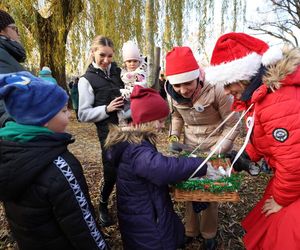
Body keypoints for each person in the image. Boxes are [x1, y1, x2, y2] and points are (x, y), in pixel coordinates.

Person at [204, 32, 300, 250]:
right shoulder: (262, 97)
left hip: (294, 180)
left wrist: (282, 199)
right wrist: (245, 156)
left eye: (229, 85)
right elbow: (260, 135)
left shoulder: (278, 101)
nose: (227, 92)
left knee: (283, 235)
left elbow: (294, 160)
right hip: (291, 178)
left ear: (245, 75)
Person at [0, 71, 108, 250]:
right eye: (64, 111)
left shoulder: (8, 152)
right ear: (42, 120)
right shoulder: (62, 167)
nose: (68, 117)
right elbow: (83, 226)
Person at [104, 85, 208, 250]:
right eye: (159, 121)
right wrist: (204, 164)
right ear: (145, 119)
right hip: (148, 224)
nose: (161, 126)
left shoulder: (136, 141)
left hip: (146, 213)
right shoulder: (136, 150)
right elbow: (163, 169)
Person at [165, 46, 240, 249]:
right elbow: (176, 116)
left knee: (210, 191)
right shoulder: (172, 94)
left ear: (197, 76)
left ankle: (209, 233)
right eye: (178, 85)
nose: (183, 90)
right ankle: (191, 230)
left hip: (215, 144)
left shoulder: (217, 88)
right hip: (189, 146)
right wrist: (174, 135)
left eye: (187, 83)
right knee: (189, 189)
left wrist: (219, 148)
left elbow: (233, 123)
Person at [78, 35, 124, 227]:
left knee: (129, 168)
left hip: (128, 129)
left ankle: (127, 205)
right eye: (102, 55)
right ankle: (103, 204)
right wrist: (106, 109)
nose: (106, 60)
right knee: (111, 171)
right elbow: (83, 114)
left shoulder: (118, 72)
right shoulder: (86, 80)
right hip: (108, 133)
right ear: (93, 53)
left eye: (110, 56)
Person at [0, 9, 26, 127]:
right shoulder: (1, 55)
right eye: (15, 29)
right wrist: (13, 124)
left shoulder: (6, 55)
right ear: (1, 30)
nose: (18, 34)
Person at [118, 40, 148, 125]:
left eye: (135, 61)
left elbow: (141, 86)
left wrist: (125, 92)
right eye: (129, 61)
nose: (132, 64)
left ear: (139, 61)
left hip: (138, 99)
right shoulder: (123, 73)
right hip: (127, 100)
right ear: (125, 62)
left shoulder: (141, 73)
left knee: (133, 116)